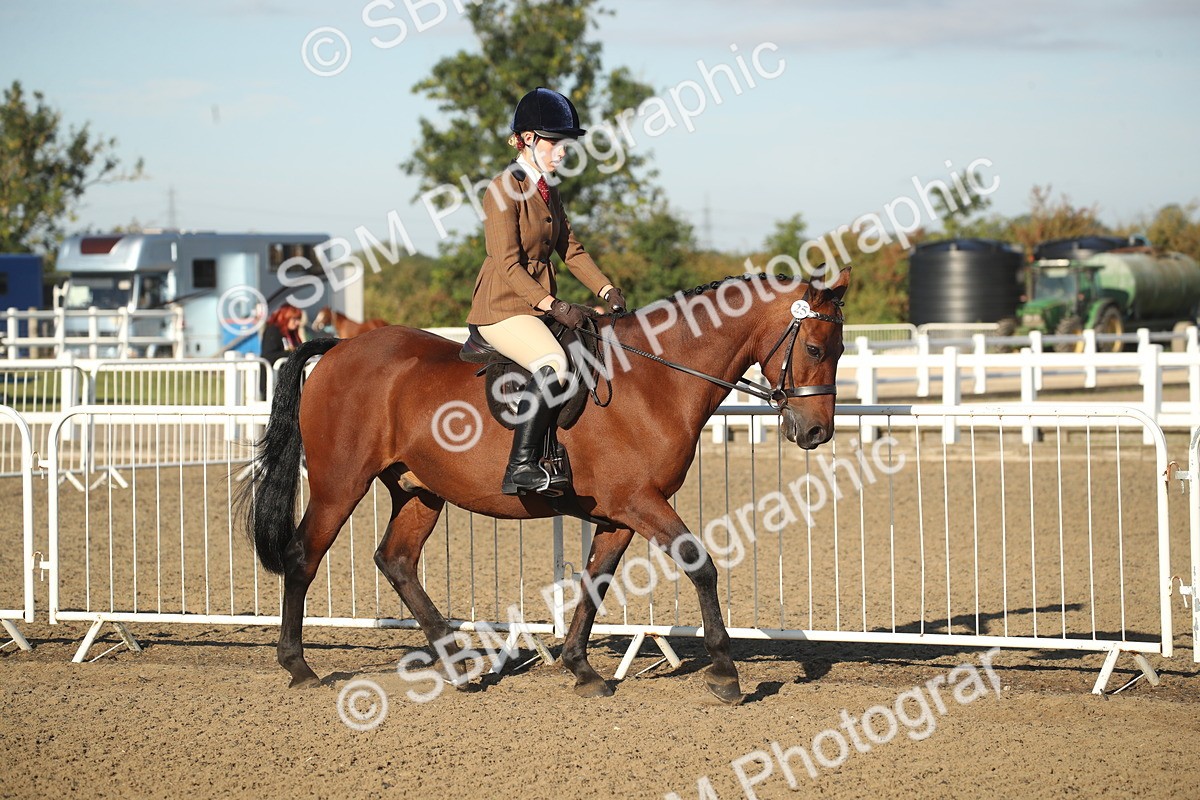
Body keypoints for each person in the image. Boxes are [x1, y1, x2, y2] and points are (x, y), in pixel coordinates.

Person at [466, 87, 627, 496]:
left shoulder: (548, 190)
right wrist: (554, 305)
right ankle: (519, 467)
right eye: (557, 143)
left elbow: (571, 249)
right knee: (554, 362)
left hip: (533, 306)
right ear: (529, 140)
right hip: (502, 307)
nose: (563, 153)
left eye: (566, 145)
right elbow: (507, 264)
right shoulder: (502, 190)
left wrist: (606, 289)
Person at [260, 304, 307, 396]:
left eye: (298, 319)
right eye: (294, 319)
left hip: (292, 384)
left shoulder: (293, 334)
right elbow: (268, 356)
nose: (297, 323)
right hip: (274, 383)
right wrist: (293, 353)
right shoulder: (272, 331)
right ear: (285, 318)